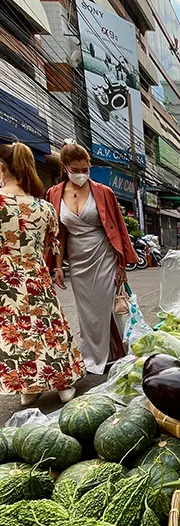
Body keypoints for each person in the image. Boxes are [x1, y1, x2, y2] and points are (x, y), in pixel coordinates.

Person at [0, 142, 85, 405]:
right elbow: (53, 243)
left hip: (6, 282)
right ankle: (63, 384)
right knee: (50, 328)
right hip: (37, 278)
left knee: (17, 334)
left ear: (2, 168)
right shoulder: (44, 207)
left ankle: (28, 387)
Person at [46, 140, 137, 375]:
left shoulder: (103, 192)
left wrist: (121, 264)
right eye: (75, 170)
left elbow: (118, 227)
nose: (81, 174)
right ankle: (94, 357)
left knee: (110, 307)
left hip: (104, 253)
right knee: (87, 312)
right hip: (77, 259)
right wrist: (57, 266)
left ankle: (118, 353)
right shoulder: (54, 194)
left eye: (85, 169)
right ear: (65, 167)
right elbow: (59, 234)